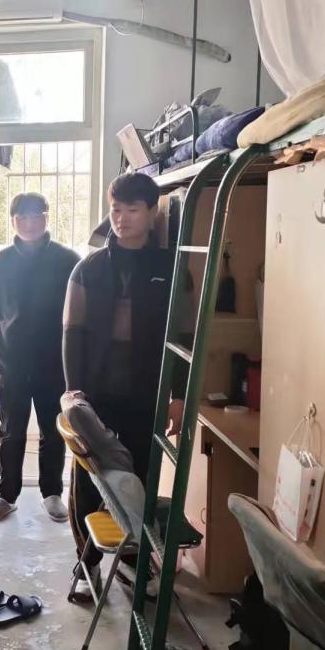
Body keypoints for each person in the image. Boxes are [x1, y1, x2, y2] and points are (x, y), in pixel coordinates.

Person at [63, 171, 186, 586]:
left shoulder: (171, 268)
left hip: (146, 389)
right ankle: (87, 561)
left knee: (140, 476)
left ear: (151, 213)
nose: (121, 219)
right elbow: (71, 333)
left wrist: (178, 395)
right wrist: (73, 392)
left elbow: (183, 335)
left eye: (132, 210)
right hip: (95, 390)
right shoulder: (89, 268)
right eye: (116, 210)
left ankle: (134, 556)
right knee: (88, 477)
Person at [0, 192, 80, 523]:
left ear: (47, 217)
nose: (29, 222)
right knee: (11, 432)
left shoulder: (68, 260)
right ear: (13, 221)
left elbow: (77, 313)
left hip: (54, 364)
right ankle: (6, 495)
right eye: (21, 216)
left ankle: (52, 493)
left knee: (54, 432)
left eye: (37, 215)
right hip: (13, 364)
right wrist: (8, 340)